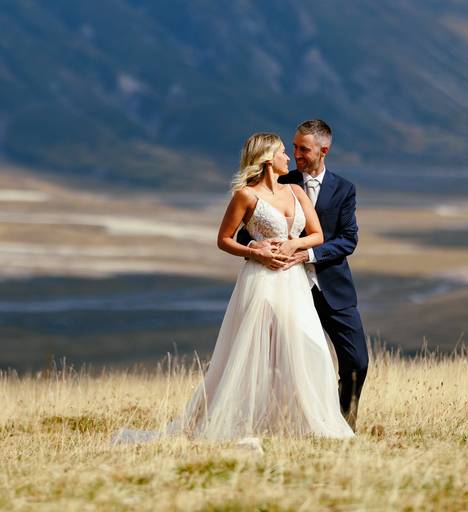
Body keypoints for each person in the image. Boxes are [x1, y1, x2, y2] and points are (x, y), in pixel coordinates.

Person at [113, 132, 354, 442]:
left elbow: (317, 235)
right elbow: (224, 239)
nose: (288, 158)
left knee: (311, 348)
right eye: (282, 152)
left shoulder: (295, 190)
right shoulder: (245, 195)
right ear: (268, 160)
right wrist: (256, 250)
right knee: (253, 353)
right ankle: (244, 422)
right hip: (261, 282)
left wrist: (292, 246)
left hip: (293, 282)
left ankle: (311, 423)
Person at [238, 119, 368, 431]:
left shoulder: (344, 189)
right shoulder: (281, 180)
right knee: (287, 363)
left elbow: (348, 239)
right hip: (286, 287)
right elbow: (243, 231)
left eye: (303, 149)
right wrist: (259, 246)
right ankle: (292, 425)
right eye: (293, 147)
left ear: (324, 150)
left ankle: (342, 424)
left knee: (357, 362)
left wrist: (306, 253)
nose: (296, 153)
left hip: (332, 287)